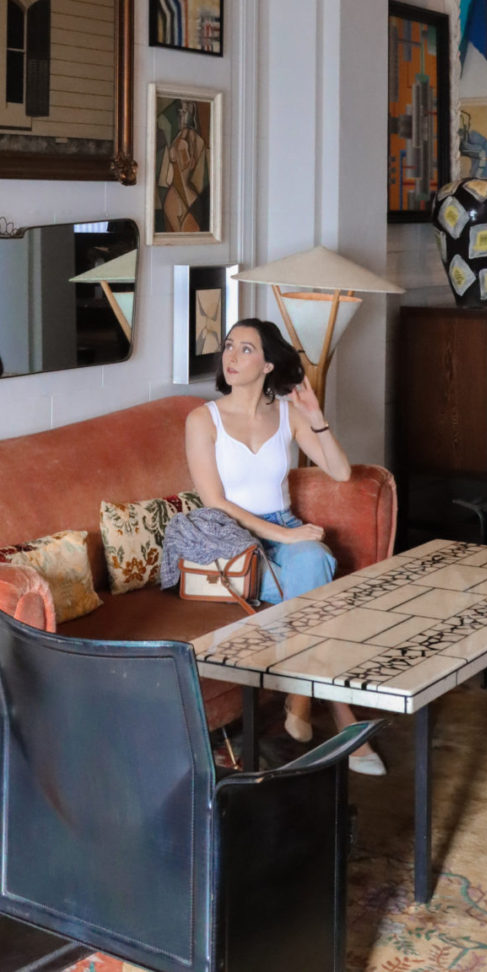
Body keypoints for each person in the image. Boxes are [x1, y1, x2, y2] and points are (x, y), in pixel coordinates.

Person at [184, 317, 385, 774]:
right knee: (313, 575)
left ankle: (299, 695)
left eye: (246, 350)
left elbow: (340, 473)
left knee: (313, 561)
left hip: (282, 526)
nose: (231, 357)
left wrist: (317, 419)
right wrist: (286, 535)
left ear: (269, 363)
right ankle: (339, 712)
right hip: (232, 541)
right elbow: (214, 501)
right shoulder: (203, 419)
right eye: (229, 347)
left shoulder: (287, 416)